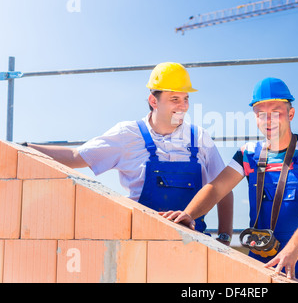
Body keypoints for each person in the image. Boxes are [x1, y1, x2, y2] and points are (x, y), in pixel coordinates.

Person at [25, 62, 234, 244]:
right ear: (154, 101)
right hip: (140, 243)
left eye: (186, 99)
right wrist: (25, 147)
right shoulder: (127, 135)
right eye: (175, 99)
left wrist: (224, 237)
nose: (183, 106)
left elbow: (224, 188)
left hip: (193, 244)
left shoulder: (199, 137)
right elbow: (76, 157)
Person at [161, 77, 298, 282]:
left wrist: (293, 250)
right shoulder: (248, 154)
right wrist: (189, 214)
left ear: (291, 114)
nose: (268, 120)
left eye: (276, 113)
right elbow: (218, 188)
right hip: (261, 257)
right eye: (261, 114)